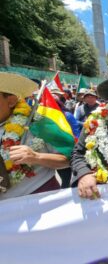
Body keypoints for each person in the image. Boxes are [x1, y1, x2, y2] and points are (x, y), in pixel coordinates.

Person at [0, 72, 70, 200]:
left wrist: (36, 157)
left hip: (40, 203)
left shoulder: (39, 123)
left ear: (11, 101)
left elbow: (70, 159)